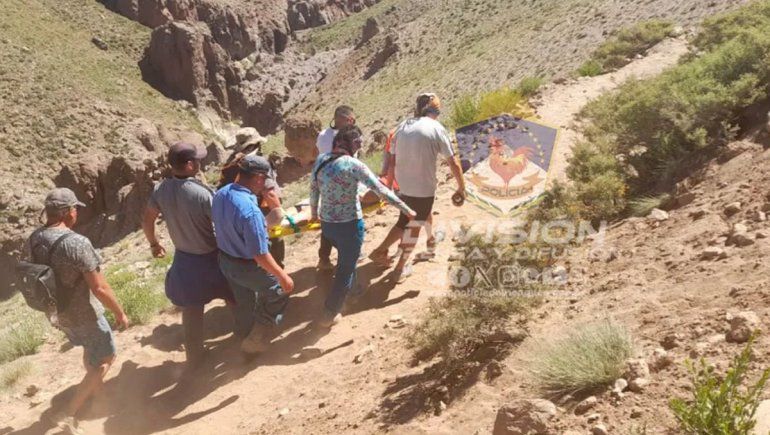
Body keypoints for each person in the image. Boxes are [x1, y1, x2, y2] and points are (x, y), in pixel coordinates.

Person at [26, 188, 129, 434]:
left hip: (58, 313)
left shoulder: (35, 237)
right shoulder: (77, 243)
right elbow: (100, 287)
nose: (76, 212)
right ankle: (68, 413)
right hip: (85, 313)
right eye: (74, 208)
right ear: (66, 212)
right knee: (106, 357)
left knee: (88, 348)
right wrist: (120, 313)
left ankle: (96, 390)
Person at [310, 125, 416, 327]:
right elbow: (380, 190)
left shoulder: (321, 160)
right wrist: (406, 209)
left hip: (327, 224)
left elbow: (313, 189)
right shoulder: (353, 165)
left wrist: (315, 213)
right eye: (357, 142)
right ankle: (329, 313)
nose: (359, 146)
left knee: (347, 260)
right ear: (346, 143)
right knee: (345, 269)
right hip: (349, 226)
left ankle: (352, 292)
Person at [141, 142, 234, 369]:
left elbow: (147, 218)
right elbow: (222, 223)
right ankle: (245, 336)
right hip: (211, 256)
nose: (200, 163)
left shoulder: (161, 190)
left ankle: (195, 359)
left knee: (192, 310)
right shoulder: (202, 193)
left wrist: (154, 243)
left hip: (184, 258)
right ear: (190, 164)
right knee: (235, 296)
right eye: (198, 160)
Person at [369, 93, 466, 282]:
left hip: (403, 186)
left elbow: (392, 159)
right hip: (423, 188)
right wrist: (461, 187)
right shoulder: (436, 128)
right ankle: (399, 269)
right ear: (433, 110)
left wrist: (389, 185)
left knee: (404, 221)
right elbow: (453, 162)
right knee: (413, 227)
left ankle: (380, 250)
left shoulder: (402, 126)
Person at [212, 155, 295, 354]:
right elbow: (259, 254)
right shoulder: (250, 210)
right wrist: (283, 277)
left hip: (226, 260)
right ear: (258, 178)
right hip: (246, 266)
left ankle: (243, 332)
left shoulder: (221, 193)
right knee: (280, 290)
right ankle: (257, 338)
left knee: (244, 300)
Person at [315, 105, 356, 271]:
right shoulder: (348, 136)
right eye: (352, 120)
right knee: (348, 221)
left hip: (324, 183)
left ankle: (324, 259)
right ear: (346, 119)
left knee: (328, 220)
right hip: (344, 184)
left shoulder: (322, 135)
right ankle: (347, 258)